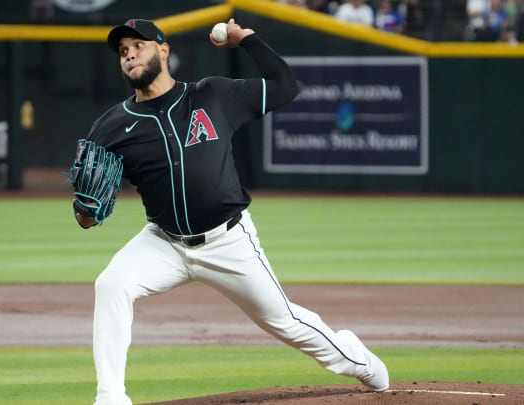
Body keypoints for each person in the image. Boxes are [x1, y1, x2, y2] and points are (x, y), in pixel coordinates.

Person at [76, 18, 389, 405]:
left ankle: (358, 362)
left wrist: (248, 41)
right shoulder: (111, 126)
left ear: (163, 49)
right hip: (163, 242)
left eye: (137, 45)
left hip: (228, 241)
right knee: (111, 284)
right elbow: (86, 214)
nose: (129, 55)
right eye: (122, 52)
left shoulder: (213, 95)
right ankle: (110, 397)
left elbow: (285, 87)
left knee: (285, 322)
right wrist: (86, 212)